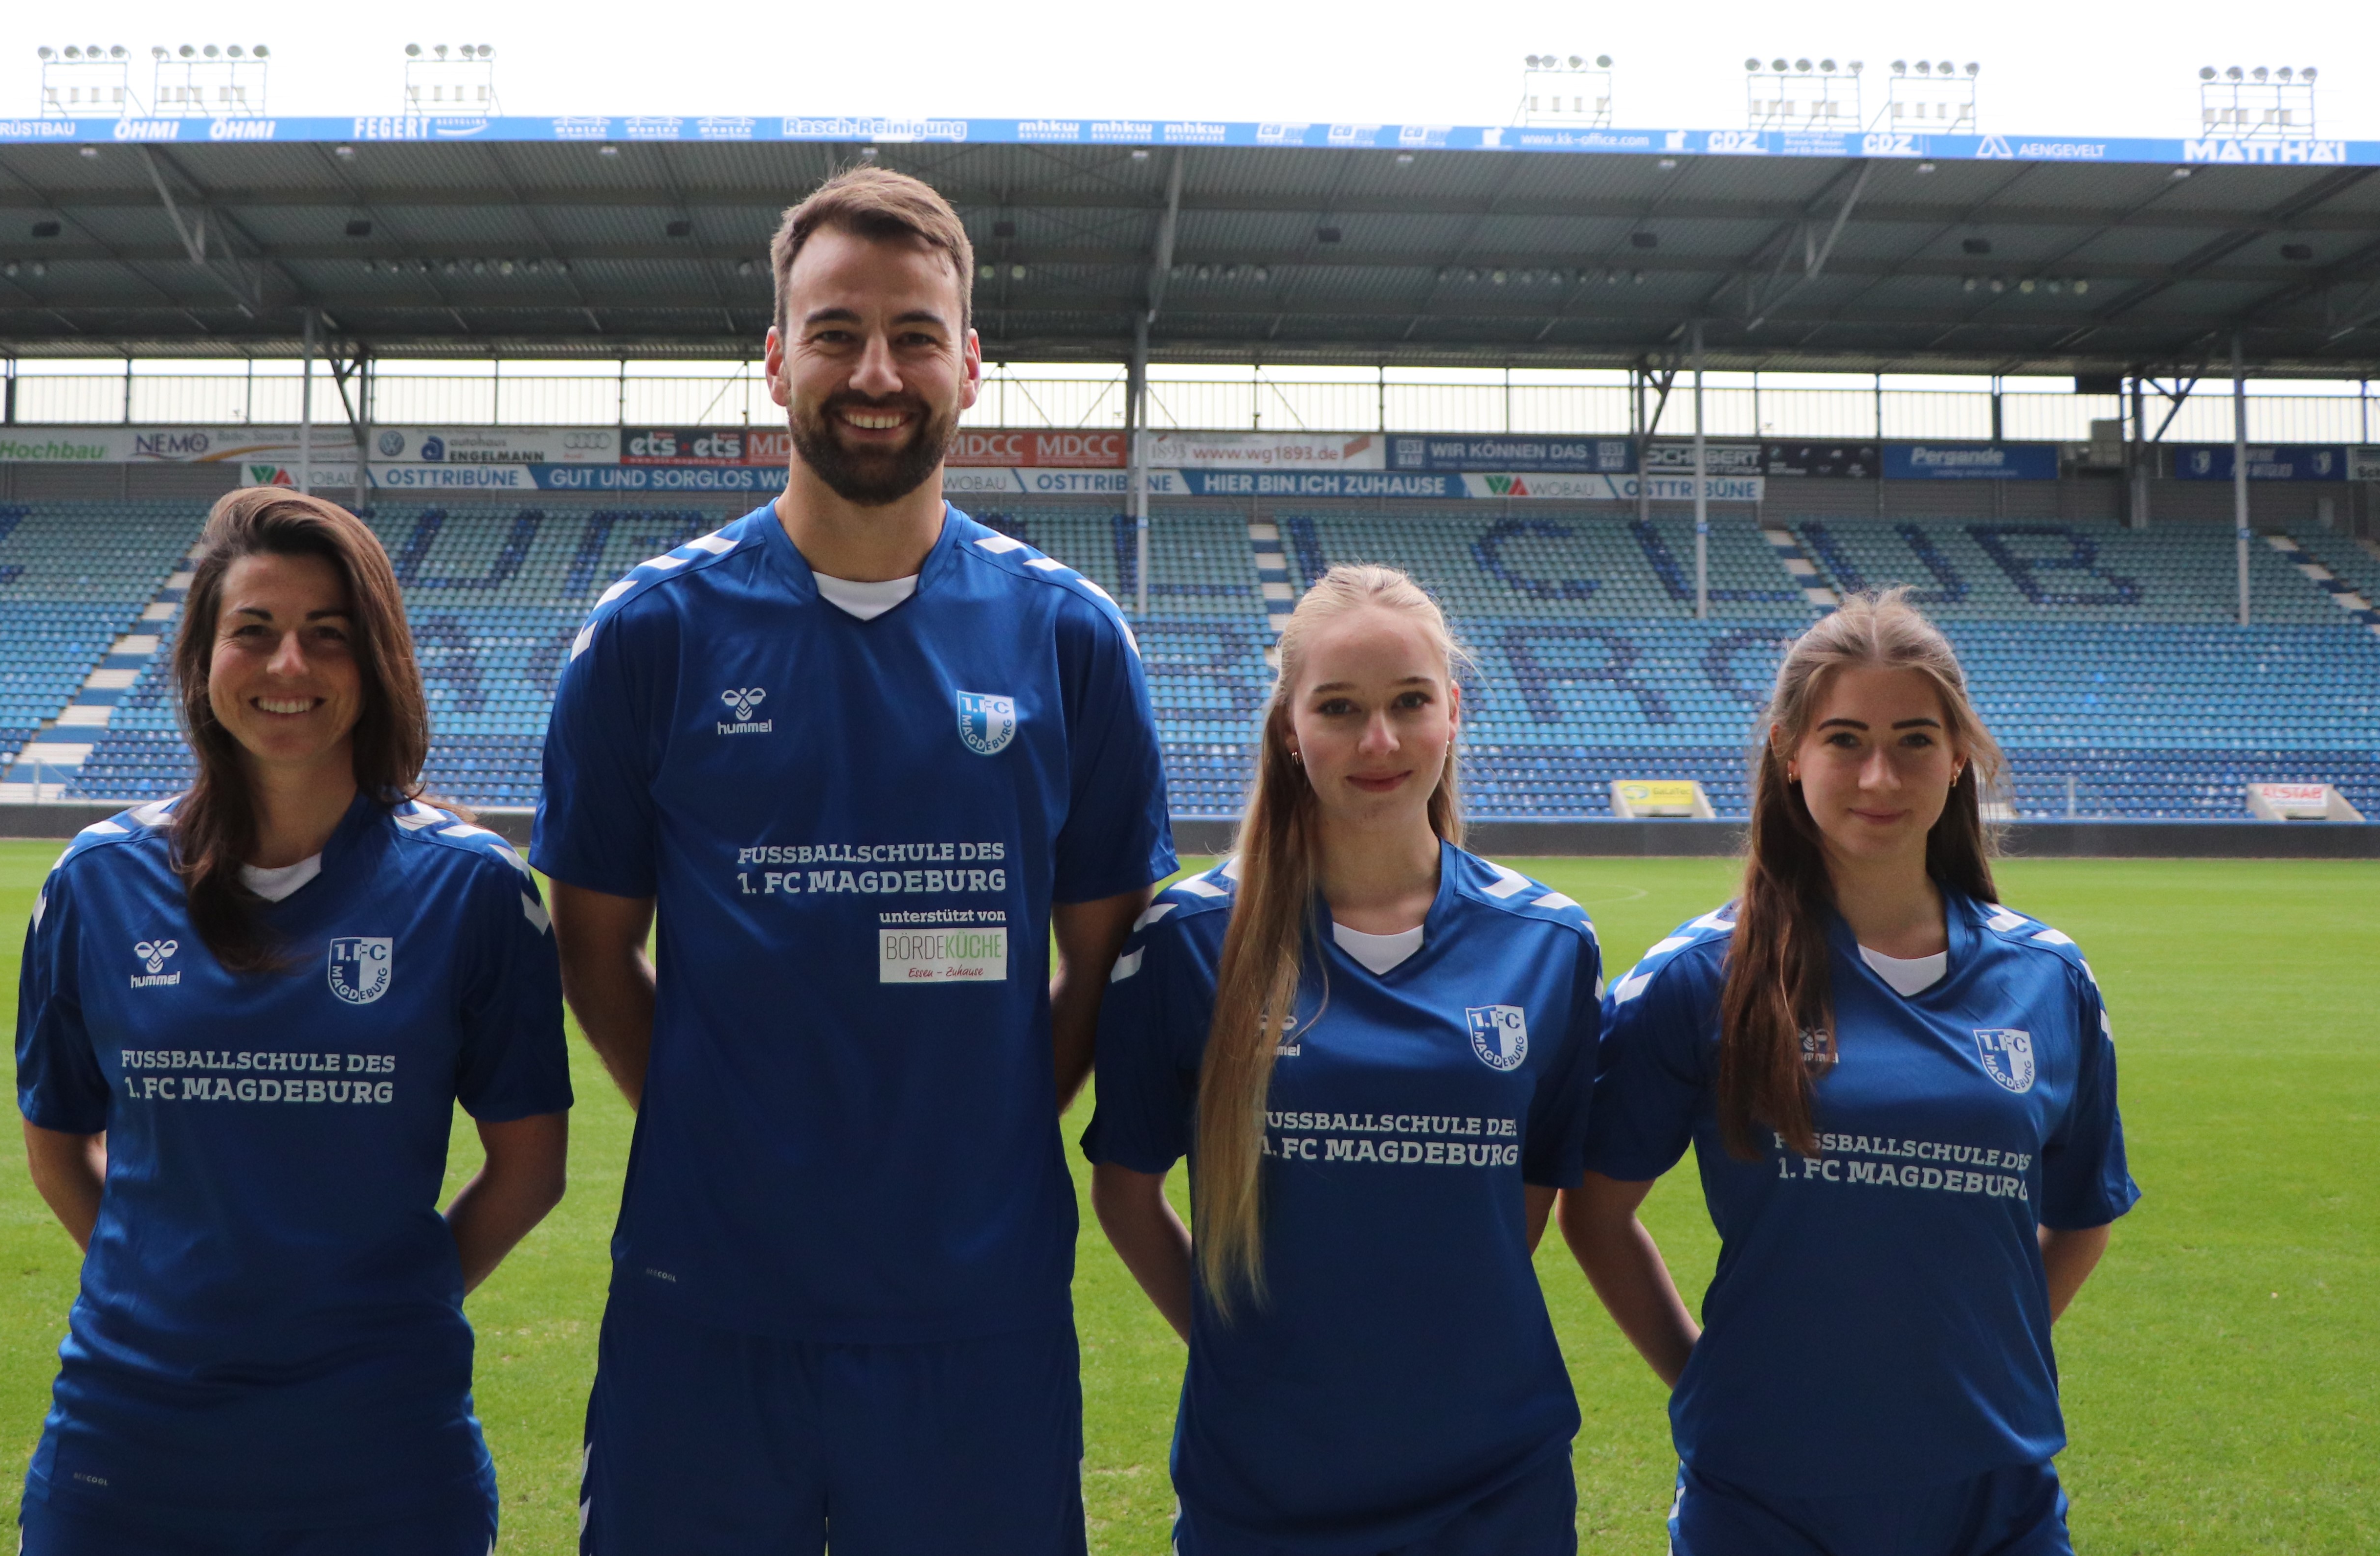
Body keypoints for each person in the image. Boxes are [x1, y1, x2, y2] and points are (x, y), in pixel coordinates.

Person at [534, 166, 1174, 1556]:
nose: (875, 372)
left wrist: (977, 1126)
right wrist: (723, 1122)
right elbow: (593, 946)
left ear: (970, 365)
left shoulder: (1071, 640)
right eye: (835, 333)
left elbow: (1103, 966)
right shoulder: (649, 634)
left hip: (976, 1307)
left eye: (913, 335)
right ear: (775, 361)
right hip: (707, 1296)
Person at [13, 486, 572, 1556]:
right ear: (201, 657)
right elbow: (56, 1149)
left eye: (328, 634)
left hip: (385, 1449)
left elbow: (530, 1169)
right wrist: (167, 1292)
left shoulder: (473, 890)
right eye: (254, 631)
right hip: (128, 1443)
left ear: (378, 660)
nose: (288, 666)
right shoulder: (96, 882)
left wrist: (385, 1308)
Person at [1560, 589, 2136, 1556]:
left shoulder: (2047, 976)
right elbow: (1595, 1211)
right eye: (1843, 740)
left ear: (1958, 757)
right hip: (1765, 1493)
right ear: (1790, 753)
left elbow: (2082, 1215)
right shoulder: (1699, 975)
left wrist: (1975, 1360)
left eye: (1914, 740)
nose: (1880, 775)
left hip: (1993, 1492)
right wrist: (1703, 1375)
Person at [1087, 564, 1601, 1556]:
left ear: (1451, 713)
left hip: (1493, 1476)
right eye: (1338, 708)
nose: (1379, 742)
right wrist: (1247, 1356)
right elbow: (1125, 1191)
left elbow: (1522, 1198)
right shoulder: (1188, 939)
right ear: (1289, 726)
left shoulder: (1548, 942)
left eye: (1409, 702)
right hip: (1265, 1476)